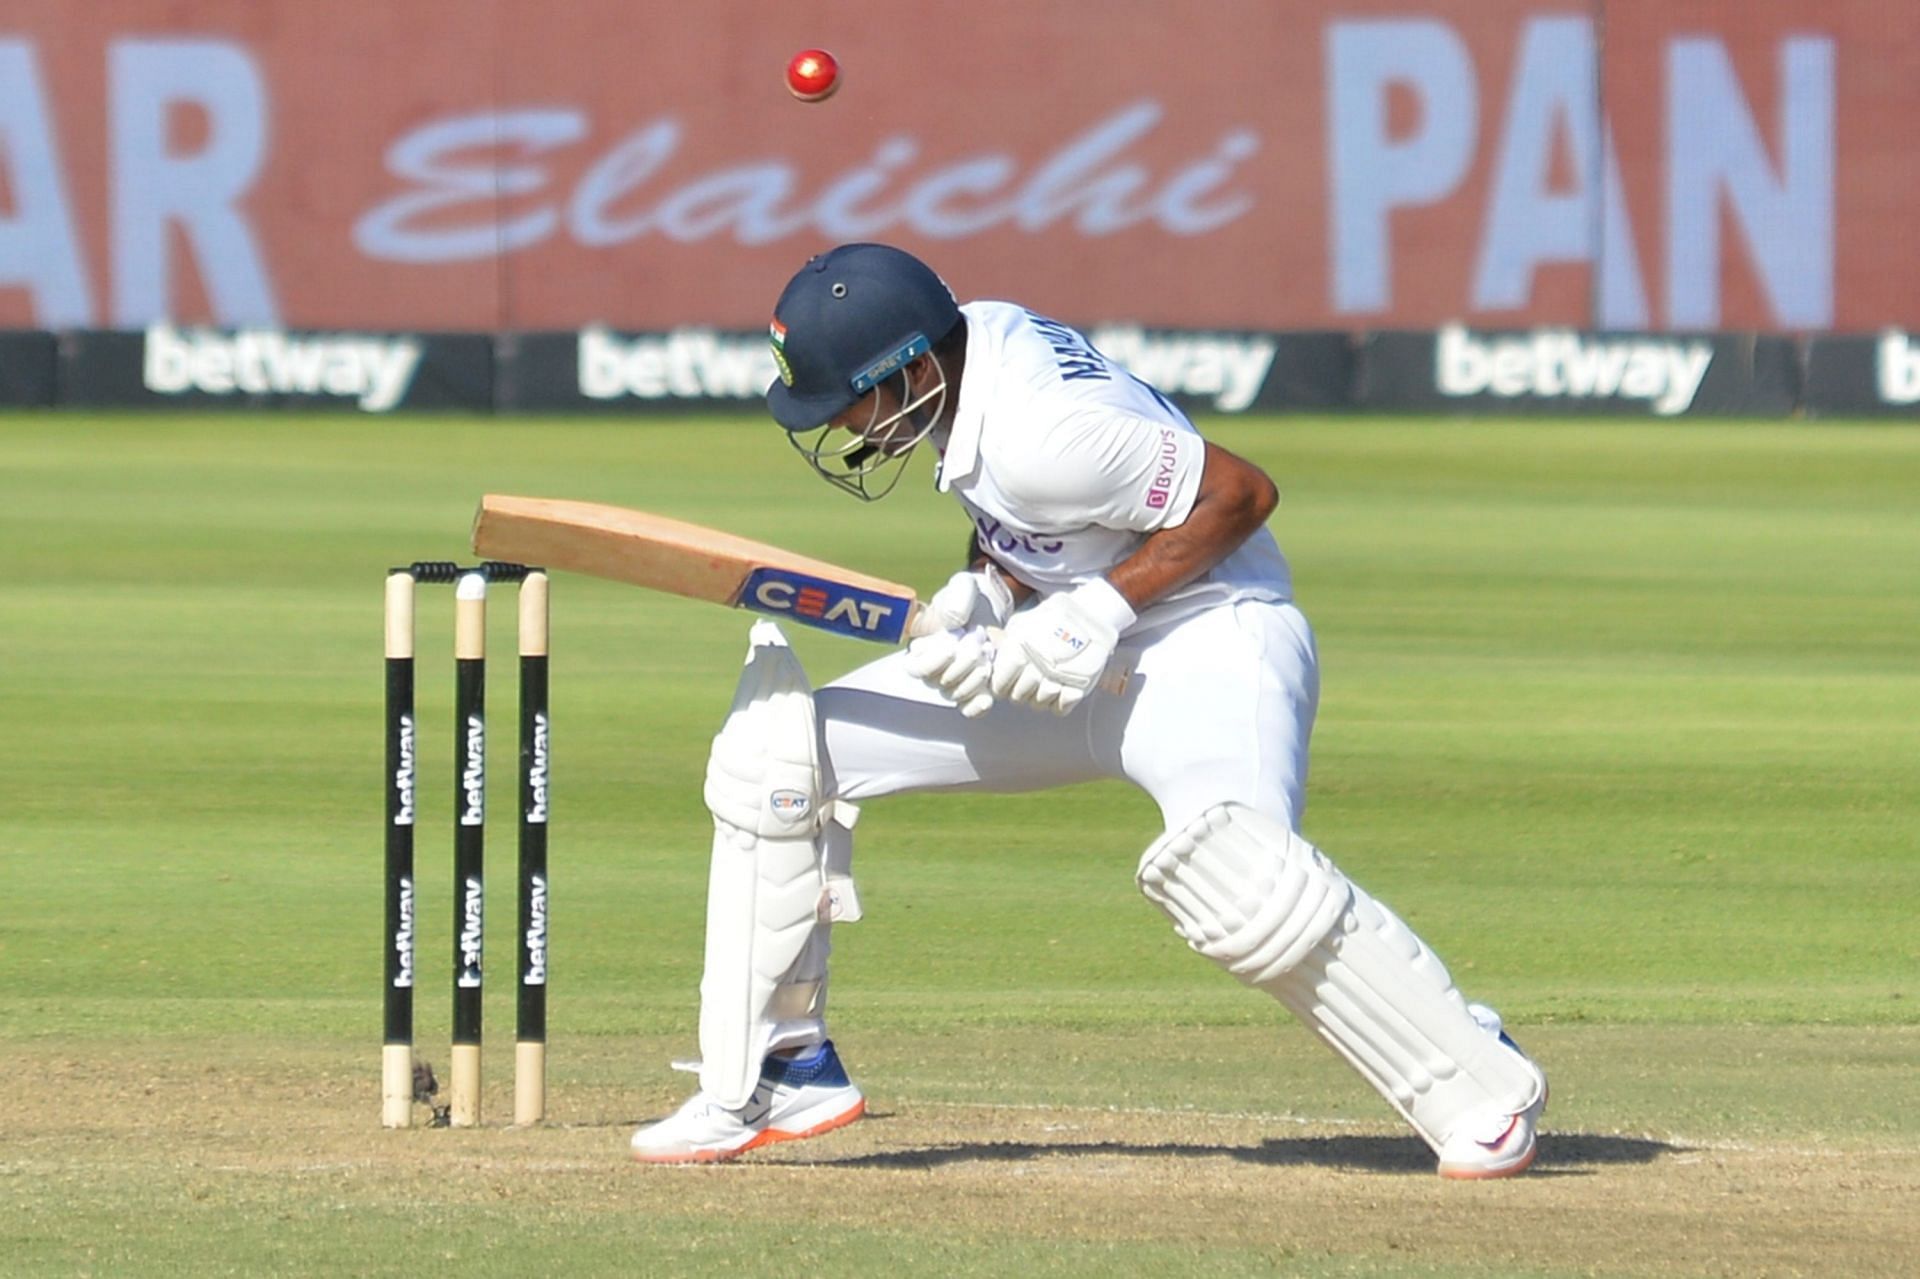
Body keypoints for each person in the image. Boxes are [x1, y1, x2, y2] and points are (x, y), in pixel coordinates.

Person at [629, 242, 1547, 1177]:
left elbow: (1241, 492)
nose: (846, 428)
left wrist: (1097, 611)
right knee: (780, 748)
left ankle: (1475, 1078)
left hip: (1211, 642)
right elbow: (1035, 526)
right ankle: (785, 1066)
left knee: (1243, 881)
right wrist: (985, 594)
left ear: (905, 369)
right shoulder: (966, 357)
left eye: (849, 402)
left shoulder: (1043, 430)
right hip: (1065, 650)